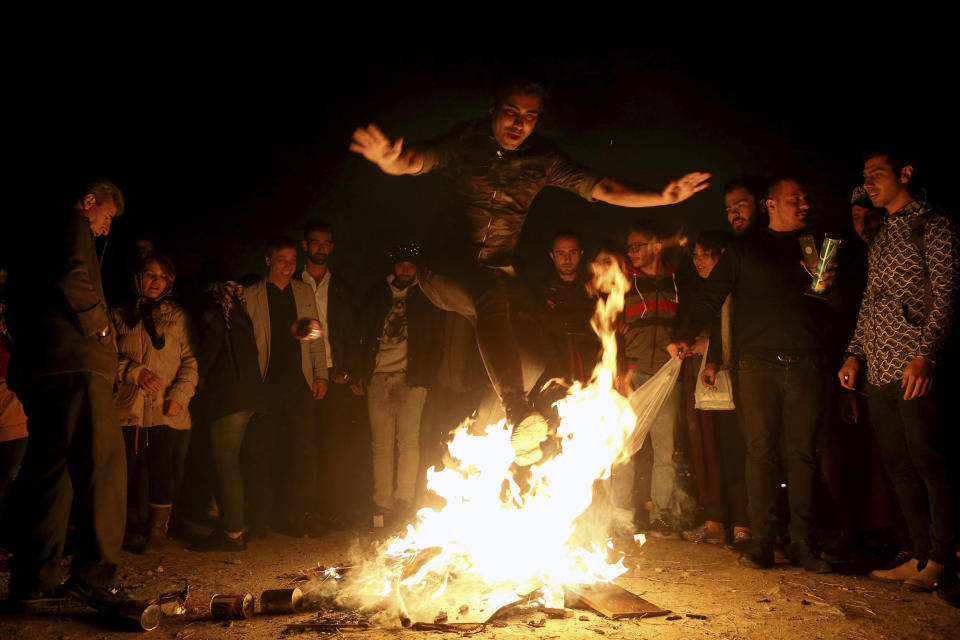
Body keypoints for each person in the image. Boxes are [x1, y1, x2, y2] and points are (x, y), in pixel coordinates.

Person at [349, 76, 710, 467]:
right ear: (493, 109)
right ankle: (516, 410)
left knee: (535, 350)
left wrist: (660, 196)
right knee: (489, 296)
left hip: (496, 272)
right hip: (445, 269)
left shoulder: (542, 159)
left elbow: (602, 187)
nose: (519, 125)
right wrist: (391, 162)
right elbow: (416, 160)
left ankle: (504, 440)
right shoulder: (466, 141)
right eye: (511, 113)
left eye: (530, 117)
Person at [673, 177, 837, 574]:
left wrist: (831, 287)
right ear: (771, 204)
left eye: (805, 197)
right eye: (794, 198)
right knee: (759, 451)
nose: (803, 203)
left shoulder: (815, 246)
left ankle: (802, 542)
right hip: (757, 364)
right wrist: (683, 334)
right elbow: (712, 296)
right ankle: (762, 541)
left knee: (802, 454)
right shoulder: (745, 249)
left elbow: (835, 305)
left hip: (805, 362)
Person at [4, 179, 130, 608]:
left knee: (50, 469)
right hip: (76, 362)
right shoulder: (70, 218)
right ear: (90, 201)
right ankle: (95, 576)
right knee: (102, 462)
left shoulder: (26, 232)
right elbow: (73, 272)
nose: (105, 228)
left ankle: (33, 579)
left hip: (39, 366)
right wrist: (101, 326)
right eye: (106, 216)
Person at [838, 151, 958, 592]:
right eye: (864, 175)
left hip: (914, 363)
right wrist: (854, 354)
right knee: (898, 464)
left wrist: (926, 355)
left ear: (905, 174)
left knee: (928, 460)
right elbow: (870, 301)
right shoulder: (883, 233)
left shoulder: (934, 223)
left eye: (877, 174)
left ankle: (943, 560)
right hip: (880, 365)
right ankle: (919, 552)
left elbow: (947, 294)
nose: (868, 182)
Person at [110, 254, 198, 553]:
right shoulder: (119, 314)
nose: (154, 282)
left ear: (169, 281)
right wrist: (134, 372)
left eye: (161, 277)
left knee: (161, 471)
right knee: (120, 473)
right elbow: (105, 356)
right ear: (138, 277)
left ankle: (156, 534)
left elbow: (190, 361)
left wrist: (178, 396)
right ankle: (111, 533)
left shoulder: (176, 317)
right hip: (127, 408)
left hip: (163, 408)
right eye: (149, 275)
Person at [245, 237, 328, 537]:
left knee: (304, 454)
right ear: (268, 260)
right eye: (281, 259)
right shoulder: (251, 295)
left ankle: (303, 518)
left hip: (298, 385)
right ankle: (258, 522)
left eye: (292, 260)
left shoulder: (303, 292)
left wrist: (320, 375)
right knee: (260, 454)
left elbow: (315, 335)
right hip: (264, 387)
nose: (288, 265)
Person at [619, 221, 696, 537]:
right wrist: (619, 371)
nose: (631, 252)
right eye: (629, 246)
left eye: (638, 245)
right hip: (632, 375)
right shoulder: (623, 281)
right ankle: (621, 516)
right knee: (623, 450)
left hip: (666, 374)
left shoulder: (678, 280)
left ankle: (661, 516)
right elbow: (608, 329)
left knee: (665, 452)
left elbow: (688, 318)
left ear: (655, 246)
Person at [360, 243, 444, 524]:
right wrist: (361, 373)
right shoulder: (377, 295)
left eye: (410, 266)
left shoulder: (425, 297)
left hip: (412, 378)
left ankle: (403, 501)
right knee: (381, 446)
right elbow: (363, 331)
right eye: (401, 265)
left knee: (408, 443)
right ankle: (382, 504)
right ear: (393, 266)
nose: (405, 271)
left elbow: (436, 339)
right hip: (378, 377)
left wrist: (426, 376)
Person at [678, 230, 750, 548]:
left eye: (704, 254)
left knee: (741, 448)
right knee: (713, 447)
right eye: (694, 255)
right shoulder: (702, 290)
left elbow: (730, 328)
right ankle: (717, 521)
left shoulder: (738, 289)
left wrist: (713, 349)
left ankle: (745, 525)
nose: (698, 261)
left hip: (745, 376)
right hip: (713, 378)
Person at [187, 279, 266, 551]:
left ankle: (233, 533)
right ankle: (239, 526)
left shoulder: (217, 315)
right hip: (248, 396)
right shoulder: (242, 316)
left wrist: (200, 375)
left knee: (225, 463)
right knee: (234, 462)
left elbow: (209, 348)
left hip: (228, 398)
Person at [300, 220, 366, 528]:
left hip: (334, 373)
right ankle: (304, 510)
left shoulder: (341, 287)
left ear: (332, 247)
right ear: (306, 246)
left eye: (326, 243)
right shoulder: (294, 283)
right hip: (302, 374)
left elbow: (353, 332)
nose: (321, 248)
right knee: (304, 444)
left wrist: (349, 372)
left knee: (334, 446)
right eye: (315, 242)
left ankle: (330, 511)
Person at [539, 230, 601, 383]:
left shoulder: (594, 288)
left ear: (580, 254)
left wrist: (560, 316)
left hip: (592, 369)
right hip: (555, 371)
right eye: (561, 253)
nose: (567, 258)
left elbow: (601, 325)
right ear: (552, 255)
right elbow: (545, 326)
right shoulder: (541, 291)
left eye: (572, 252)